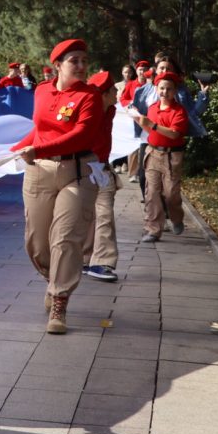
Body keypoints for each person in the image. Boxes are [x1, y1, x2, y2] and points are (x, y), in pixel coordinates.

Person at [11, 39, 100, 335]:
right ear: (57, 65)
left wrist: (37, 150)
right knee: (37, 242)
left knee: (66, 237)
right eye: (74, 60)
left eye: (84, 60)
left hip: (76, 172)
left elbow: (81, 135)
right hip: (39, 172)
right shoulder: (41, 91)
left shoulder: (90, 96)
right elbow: (39, 129)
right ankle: (53, 281)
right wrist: (14, 149)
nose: (81, 66)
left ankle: (60, 299)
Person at [133, 72, 190, 243]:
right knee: (152, 193)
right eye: (162, 88)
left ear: (175, 91)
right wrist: (140, 121)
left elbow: (174, 134)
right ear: (156, 89)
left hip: (172, 156)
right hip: (153, 153)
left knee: (171, 194)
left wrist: (153, 125)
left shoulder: (179, 111)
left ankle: (177, 218)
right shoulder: (152, 108)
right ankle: (153, 229)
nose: (165, 92)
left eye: (169, 89)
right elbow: (151, 130)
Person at [82, 71, 120, 282]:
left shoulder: (111, 110)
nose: (117, 92)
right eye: (113, 89)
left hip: (102, 170)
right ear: (104, 94)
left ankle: (101, 261)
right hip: (84, 169)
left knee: (104, 214)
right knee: (87, 217)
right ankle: (85, 260)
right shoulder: (88, 113)